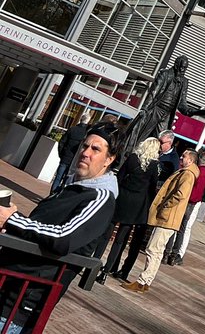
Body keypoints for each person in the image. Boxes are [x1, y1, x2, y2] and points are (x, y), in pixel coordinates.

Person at [0, 123, 120, 333]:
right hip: (9, 282)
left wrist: (14, 220)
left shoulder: (100, 198)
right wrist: (11, 229)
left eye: (95, 149)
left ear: (109, 160)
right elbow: (43, 227)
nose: (85, 153)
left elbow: (64, 238)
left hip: (23, 298)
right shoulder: (72, 187)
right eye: (85, 146)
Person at [122, 148, 199, 294]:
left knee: (153, 248)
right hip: (169, 217)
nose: (181, 158)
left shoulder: (188, 175)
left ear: (191, 160)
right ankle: (145, 281)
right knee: (156, 250)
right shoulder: (186, 173)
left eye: (184, 156)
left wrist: (165, 205)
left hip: (168, 217)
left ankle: (143, 281)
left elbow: (180, 195)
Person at [98, 135, 160, 283]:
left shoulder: (132, 158)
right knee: (120, 240)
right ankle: (106, 271)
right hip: (136, 204)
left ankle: (94, 263)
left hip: (123, 197)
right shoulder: (153, 166)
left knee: (106, 235)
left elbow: (119, 177)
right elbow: (152, 188)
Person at [123, 57, 205, 153]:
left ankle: (149, 159)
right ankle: (129, 155)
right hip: (156, 109)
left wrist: (196, 111)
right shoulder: (165, 74)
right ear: (176, 65)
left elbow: (182, 104)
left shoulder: (184, 82)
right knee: (141, 136)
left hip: (167, 115)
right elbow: (154, 92)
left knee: (161, 142)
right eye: (181, 67)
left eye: (185, 68)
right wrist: (145, 109)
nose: (183, 70)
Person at [166, 149, 205, 264]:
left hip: (186, 200)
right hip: (193, 203)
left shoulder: (195, 172)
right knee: (182, 229)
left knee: (174, 225)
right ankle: (174, 254)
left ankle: (166, 252)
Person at [50, 115, 91, 191]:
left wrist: (61, 154)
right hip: (75, 160)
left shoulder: (72, 129)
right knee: (67, 180)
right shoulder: (86, 134)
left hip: (65, 157)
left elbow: (62, 142)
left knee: (58, 178)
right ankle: (59, 195)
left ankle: (52, 194)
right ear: (88, 121)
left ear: (80, 119)